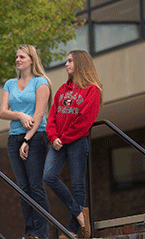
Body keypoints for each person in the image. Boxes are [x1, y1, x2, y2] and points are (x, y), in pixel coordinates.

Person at [43, 50, 103, 239]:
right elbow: (51, 116)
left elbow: (85, 119)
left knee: (77, 184)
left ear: (80, 63)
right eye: (66, 60)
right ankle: (79, 213)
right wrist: (53, 137)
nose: (66, 64)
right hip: (58, 142)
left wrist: (65, 138)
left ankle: (71, 231)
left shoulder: (92, 90)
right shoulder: (62, 90)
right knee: (48, 176)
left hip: (76, 142)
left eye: (70, 60)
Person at [0, 44, 52, 239]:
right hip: (14, 138)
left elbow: (39, 114)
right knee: (23, 188)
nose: (18, 60)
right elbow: (2, 112)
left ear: (31, 59)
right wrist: (20, 115)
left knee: (35, 185)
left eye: (22, 56)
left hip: (36, 137)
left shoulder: (41, 82)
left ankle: (41, 233)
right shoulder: (10, 84)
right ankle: (29, 233)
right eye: (16, 57)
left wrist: (27, 140)